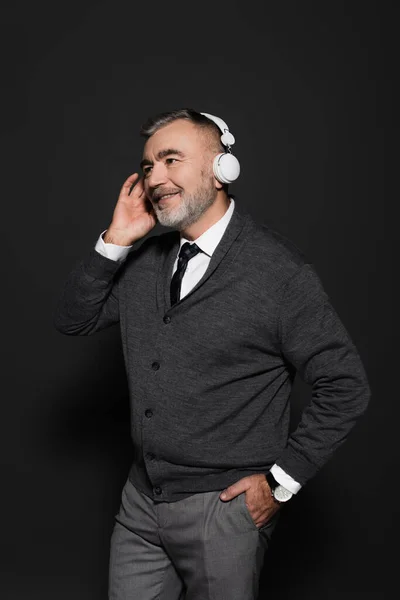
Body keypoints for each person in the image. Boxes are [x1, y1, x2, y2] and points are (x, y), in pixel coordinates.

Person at [53, 108, 371, 600]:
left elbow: (346, 386)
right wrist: (115, 240)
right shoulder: (143, 262)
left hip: (223, 511)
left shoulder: (279, 274)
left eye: (170, 159)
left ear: (222, 169)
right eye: (147, 166)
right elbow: (75, 319)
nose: (153, 177)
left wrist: (280, 482)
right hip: (140, 502)